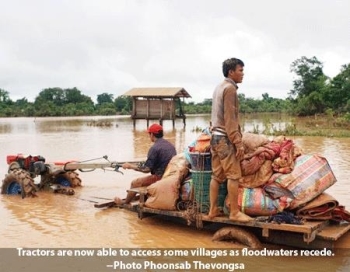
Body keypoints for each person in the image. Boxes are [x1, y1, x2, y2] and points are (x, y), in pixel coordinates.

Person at [208, 58, 253, 222]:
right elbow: (230, 119)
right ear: (231, 72)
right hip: (225, 138)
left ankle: (212, 210)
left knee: (216, 175)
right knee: (234, 175)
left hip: (214, 137)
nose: (243, 74)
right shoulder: (230, 89)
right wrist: (238, 143)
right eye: (240, 70)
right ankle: (234, 212)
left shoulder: (219, 87)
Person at [114, 123, 176, 205]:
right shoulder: (171, 146)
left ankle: (125, 202)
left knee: (135, 183)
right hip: (171, 175)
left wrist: (130, 166)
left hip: (160, 177)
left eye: (149, 134)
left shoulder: (154, 148)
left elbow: (147, 169)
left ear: (152, 134)